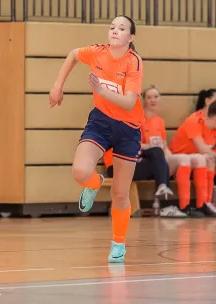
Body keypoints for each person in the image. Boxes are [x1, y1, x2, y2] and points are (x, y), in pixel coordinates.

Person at [49, 15, 143, 263]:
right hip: (100, 122)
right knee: (80, 172)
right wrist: (58, 86)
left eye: (121, 28)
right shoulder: (96, 52)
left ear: (130, 37)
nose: (114, 31)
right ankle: (93, 184)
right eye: (112, 27)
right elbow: (72, 55)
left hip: (128, 128)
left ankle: (118, 243)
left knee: (120, 194)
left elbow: (129, 102)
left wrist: (101, 90)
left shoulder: (133, 62)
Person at [104, 85, 188, 218]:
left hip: (131, 163)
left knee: (159, 156)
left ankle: (163, 191)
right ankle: (165, 204)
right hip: (117, 166)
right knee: (158, 158)